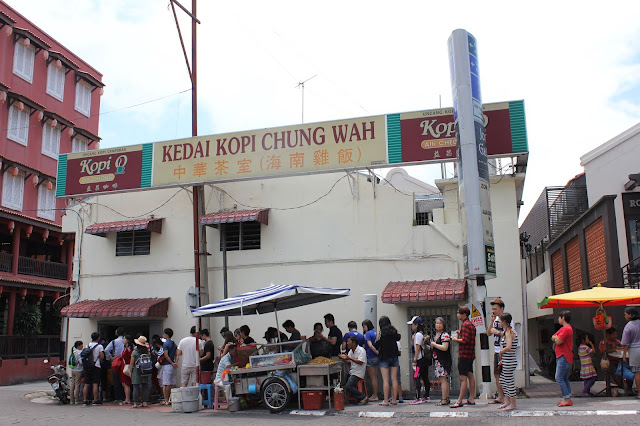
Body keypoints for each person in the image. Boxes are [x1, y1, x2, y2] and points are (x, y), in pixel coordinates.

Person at [450, 306, 476, 408]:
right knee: (470, 375)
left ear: (464, 314)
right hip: (470, 354)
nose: (457, 315)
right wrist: (460, 333)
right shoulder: (471, 325)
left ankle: (459, 400)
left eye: (459, 313)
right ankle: (471, 398)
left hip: (464, 354)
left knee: (463, 377)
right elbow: (469, 337)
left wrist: (455, 339)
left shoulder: (465, 325)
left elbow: (465, 340)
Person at [487, 298, 512, 405]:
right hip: (497, 351)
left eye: (495, 309)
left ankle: (507, 398)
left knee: (504, 375)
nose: (493, 311)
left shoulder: (506, 319)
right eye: (492, 309)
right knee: (497, 375)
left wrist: (497, 332)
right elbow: (488, 333)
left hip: (504, 351)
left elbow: (508, 334)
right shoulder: (495, 320)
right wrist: (492, 321)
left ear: (501, 309)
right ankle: (500, 396)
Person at [375, 316, 400, 406]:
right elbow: (398, 337)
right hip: (394, 356)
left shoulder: (382, 333)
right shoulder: (393, 331)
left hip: (384, 357)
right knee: (394, 379)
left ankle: (385, 401)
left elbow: (377, 345)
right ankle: (394, 400)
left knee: (386, 380)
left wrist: (377, 337)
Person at [552, 310, 574, 407]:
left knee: (559, 377)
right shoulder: (564, 328)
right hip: (562, 355)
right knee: (564, 378)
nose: (558, 319)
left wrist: (556, 338)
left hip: (563, 356)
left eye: (559, 317)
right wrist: (556, 338)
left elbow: (558, 341)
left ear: (563, 318)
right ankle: (567, 396)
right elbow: (553, 337)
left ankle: (566, 398)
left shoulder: (566, 329)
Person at [497, 312, 518, 411]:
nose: (499, 322)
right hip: (507, 360)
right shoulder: (508, 331)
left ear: (504, 321)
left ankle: (513, 404)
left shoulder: (509, 332)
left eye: (500, 320)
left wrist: (501, 351)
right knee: (503, 380)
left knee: (509, 382)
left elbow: (509, 346)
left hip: (509, 360)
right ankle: (507, 401)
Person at [340, 336, 368, 405]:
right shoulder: (351, 351)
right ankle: (353, 398)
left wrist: (349, 358)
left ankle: (363, 397)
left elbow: (360, 361)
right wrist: (344, 359)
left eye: (348, 342)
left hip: (358, 372)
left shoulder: (361, 350)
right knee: (342, 384)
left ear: (354, 343)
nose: (347, 343)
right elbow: (349, 362)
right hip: (352, 371)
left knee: (348, 386)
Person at [408, 316, 430, 404]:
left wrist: (415, 360)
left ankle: (417, 397)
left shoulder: (417, 335)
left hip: (419, 361)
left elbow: (417, 348)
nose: (412, 326)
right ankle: (426, 396)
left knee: (416, 376)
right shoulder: (422, 334)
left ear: (416, 325)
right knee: (425, 377)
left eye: (412, 324)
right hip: (424, 359)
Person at [430, 317, 451, 406]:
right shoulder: (436, 335)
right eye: (436, 323)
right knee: (442, 378)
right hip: (437, 359)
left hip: (443, 360)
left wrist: (435, 344)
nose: (438, 325)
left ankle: (444, 399)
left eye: (440, 323)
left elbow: (445, 347)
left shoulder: (444, 335)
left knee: (443, 379)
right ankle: (445, 398)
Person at [621, 306, 640, 398]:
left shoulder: (628, 326)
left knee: (637, 372)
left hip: (634, 351)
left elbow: (625, 343)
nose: (624, 316)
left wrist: (624, 354)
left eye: (625, 314)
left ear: (630, 315)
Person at [83, 331, 105, 406]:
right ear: (98, 338)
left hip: (88, 366)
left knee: (86, 383)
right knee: (95, 383)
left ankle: (85, 399)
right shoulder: (100, 346)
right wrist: (101, 361)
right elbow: (101, 356)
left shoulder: (87, 345)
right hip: (96, 366)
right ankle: (95, 399)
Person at [105, 327, 126, 402]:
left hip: (116, 362)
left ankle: (118, 398)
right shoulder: (126, 341)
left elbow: (106, 350)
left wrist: (111, 357)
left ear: (116, 333)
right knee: (125, 380)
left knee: (116, 380)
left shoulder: (114, 342)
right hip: (124, 362)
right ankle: (126, 396)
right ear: (124, 334)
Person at [130, 336, 151, 408]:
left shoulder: (135, 352)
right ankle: (144, 402)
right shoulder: (147, 352)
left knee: (136, 386)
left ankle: (135, 403)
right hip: (145, 371)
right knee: (145, 386)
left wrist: (130, 372)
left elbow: (131, 363)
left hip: (137, 370)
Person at [362, 319, 379, 401]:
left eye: (364, 326)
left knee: (372, 377)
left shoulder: (368, 334)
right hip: (376, 358)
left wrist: (376, 352)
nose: (363, 328)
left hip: (370, 356)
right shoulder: (375, 333)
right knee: (375, 377)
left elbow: (370, 345)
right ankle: (375, 394)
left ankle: (375, 395)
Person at [161, 328, 177, 406]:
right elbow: (177, 354)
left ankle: (166, 400)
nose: (163, 335)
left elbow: (166, 356)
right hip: (173, 365)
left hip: (168, 365)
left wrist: (171, 363)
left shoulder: (166, 344)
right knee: (173, 383)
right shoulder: (174, 344)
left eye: (164, 334)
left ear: (166, 335)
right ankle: (173, 398)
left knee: (167, 383)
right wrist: (175, 362)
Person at [119, 335, 133, 405]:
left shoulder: (129, 349)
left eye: (124, 338)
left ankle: (127, 399)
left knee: (126, 383)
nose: (123, 340)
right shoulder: (125, 348)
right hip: (124, 366)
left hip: (126, 366)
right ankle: (126, 398)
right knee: (124, 383)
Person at [70, 341, 84, 405]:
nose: (82, 347)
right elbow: (81, 362)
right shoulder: (79, 353)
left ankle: (71, 400)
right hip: (78, 370)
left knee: (72, 385)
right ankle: (76, 400)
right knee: (77, 385)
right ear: (78, 346)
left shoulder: (73, 352)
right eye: (81, 345)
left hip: (73, 370)